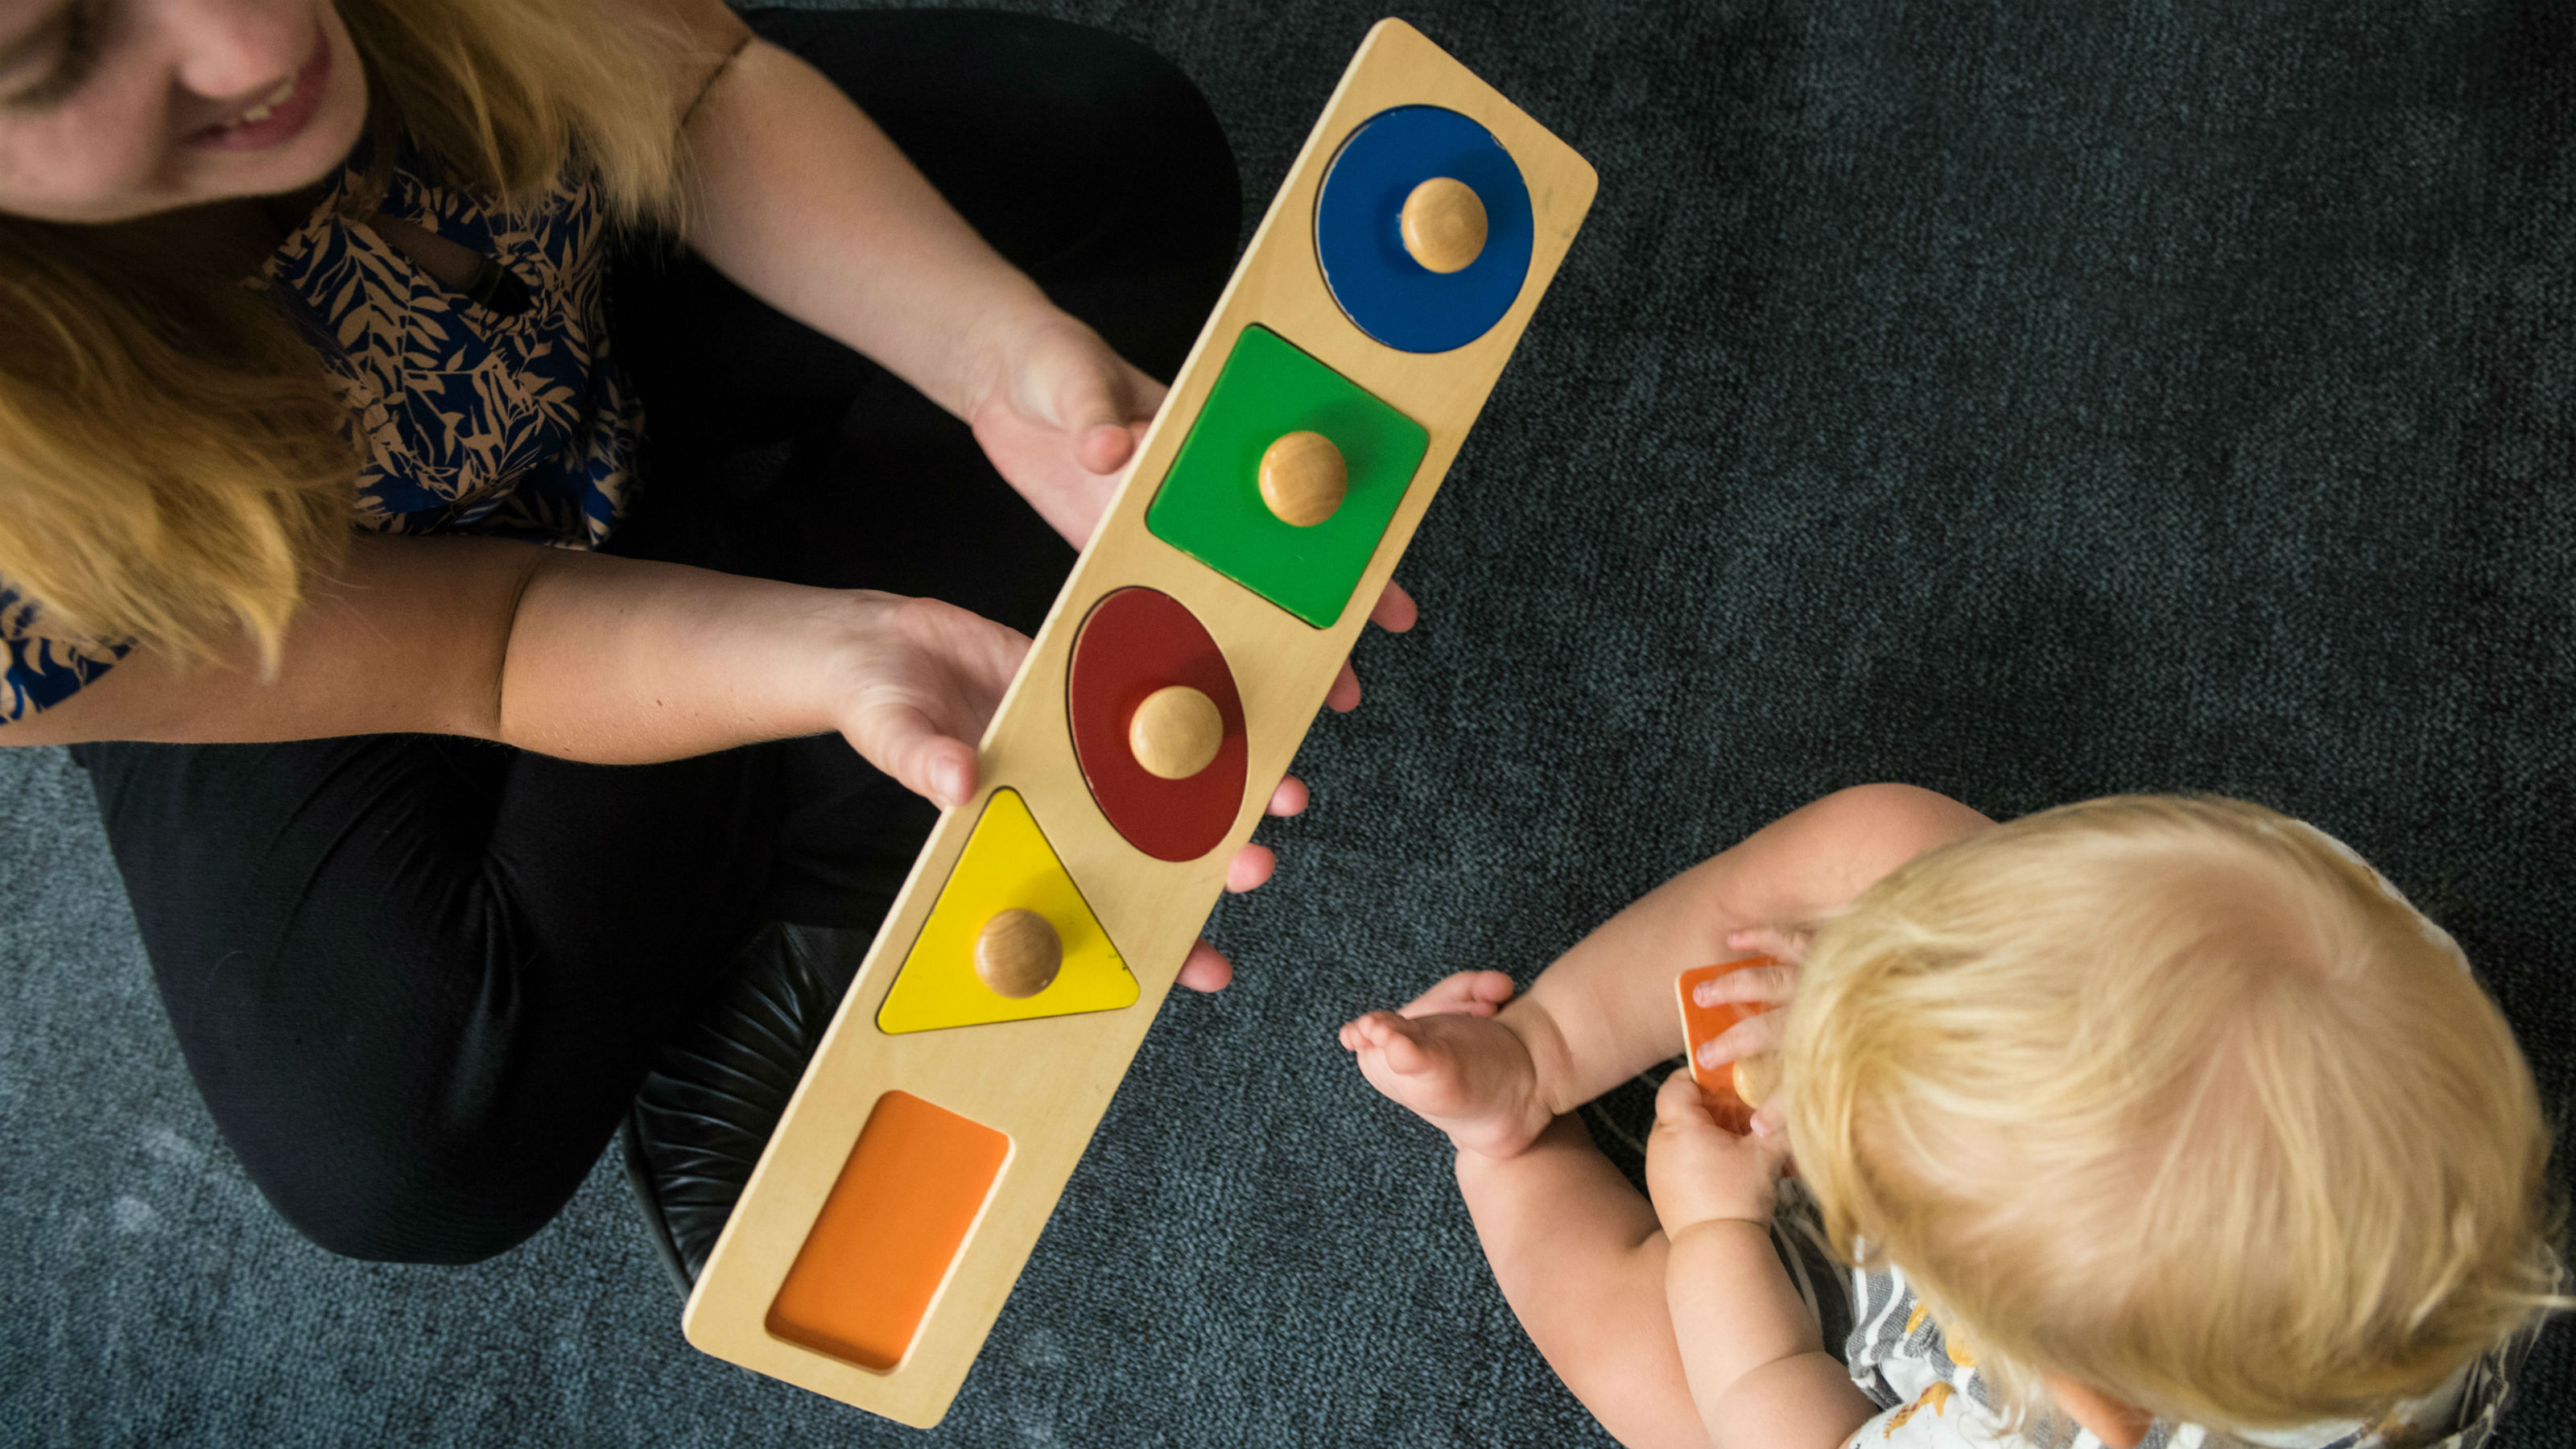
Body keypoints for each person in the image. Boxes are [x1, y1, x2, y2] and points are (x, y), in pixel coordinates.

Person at [0, 0, 1415, 1265]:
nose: (253, 39)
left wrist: (992, 359)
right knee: (411, 1142)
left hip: (590, 257)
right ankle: (790, 734)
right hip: (278, 594)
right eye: (53, 55)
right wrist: (827, 650)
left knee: (1109, 148)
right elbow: (488, 643)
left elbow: (697, 85)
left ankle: (782, 801)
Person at [1342, 786, 2565, 1449]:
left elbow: (1783, 1420)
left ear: (2089, 1398)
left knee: (1667, 1380)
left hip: (1923, 1370)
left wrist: (1715, 1236)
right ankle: (1541, 1046)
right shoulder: (2371, 977)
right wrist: (1914, 972)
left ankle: (1510, 1141)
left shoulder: (2036, 1429)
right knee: (1895, 843)